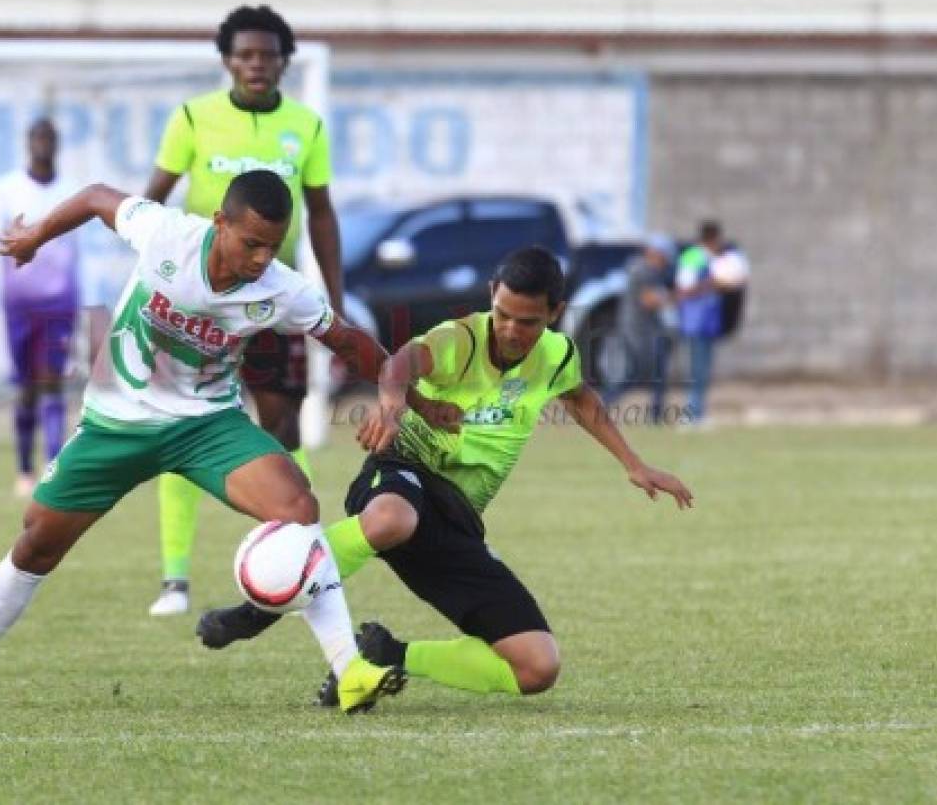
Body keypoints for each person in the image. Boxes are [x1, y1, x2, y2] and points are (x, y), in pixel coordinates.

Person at [0, 170, 413, 715]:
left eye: (272, 246)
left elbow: (349, 340)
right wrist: (35, 237)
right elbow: (96, 197)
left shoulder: (281, 287)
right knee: (37, 542)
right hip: (117, 421)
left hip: (206, 426)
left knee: (297, 504)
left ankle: (349, 669)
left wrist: (397, 396)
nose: (262, 259)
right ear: (220, 224)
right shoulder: (168, 234)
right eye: (251, 243)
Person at [196, 246, 693, 703]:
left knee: (537, 667)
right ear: (490, 299)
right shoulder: (461, 339)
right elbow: (399, 365)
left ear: (555, 314)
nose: (511, 330)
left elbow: (580, 397)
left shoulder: (556, 355)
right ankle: (261, 607)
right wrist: (391, 408)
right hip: (403, 471)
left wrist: (634, 463)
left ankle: (388, 654)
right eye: (502, 314)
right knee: (391, 518)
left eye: (528, 321)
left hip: (455, 520)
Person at [141, 4, 345, 616]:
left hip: (269, 303)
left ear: (284, 61)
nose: (257, 64)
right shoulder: (191, 119)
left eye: (268, 55)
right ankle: (174, 579)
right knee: (179, 429)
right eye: (246, 55)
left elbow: (322, 211)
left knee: (282, 428)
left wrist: (331, 293)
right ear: (228, 60)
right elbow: (151, 203)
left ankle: (302, 558)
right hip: (197, 305)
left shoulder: (305, 126)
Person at [0, 118, 81, 497]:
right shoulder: (5, 191)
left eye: (50, 137)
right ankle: (24, 469)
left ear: (58, 144)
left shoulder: (71, 192)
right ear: (28, 143)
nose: (44, 144)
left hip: (60, 304)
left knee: (53, 383)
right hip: (19, 305)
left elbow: (83, 254)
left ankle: (53, 467)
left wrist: (94, 308)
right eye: (38, 137)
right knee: (27, 388)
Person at [675, 221, 750, 426]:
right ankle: (690, 415)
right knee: (697, 371)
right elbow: (684, 290)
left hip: (708, 322)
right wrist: (712, 283)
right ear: (713, 239)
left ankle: (698, 413)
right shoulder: (693, 257)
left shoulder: (715, 259)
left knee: (704, 371)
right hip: (695, 322)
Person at [601, 234, 678, 425]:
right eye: (664, 258)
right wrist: (674, 297)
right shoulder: (643, 271)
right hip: (639, 333)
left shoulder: (644, 270)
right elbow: (649, 301)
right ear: (655, 254)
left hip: (644, 332)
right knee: (633, 377)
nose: (665, 263)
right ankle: (599, 406)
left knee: (654, 375)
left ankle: (656, 415)